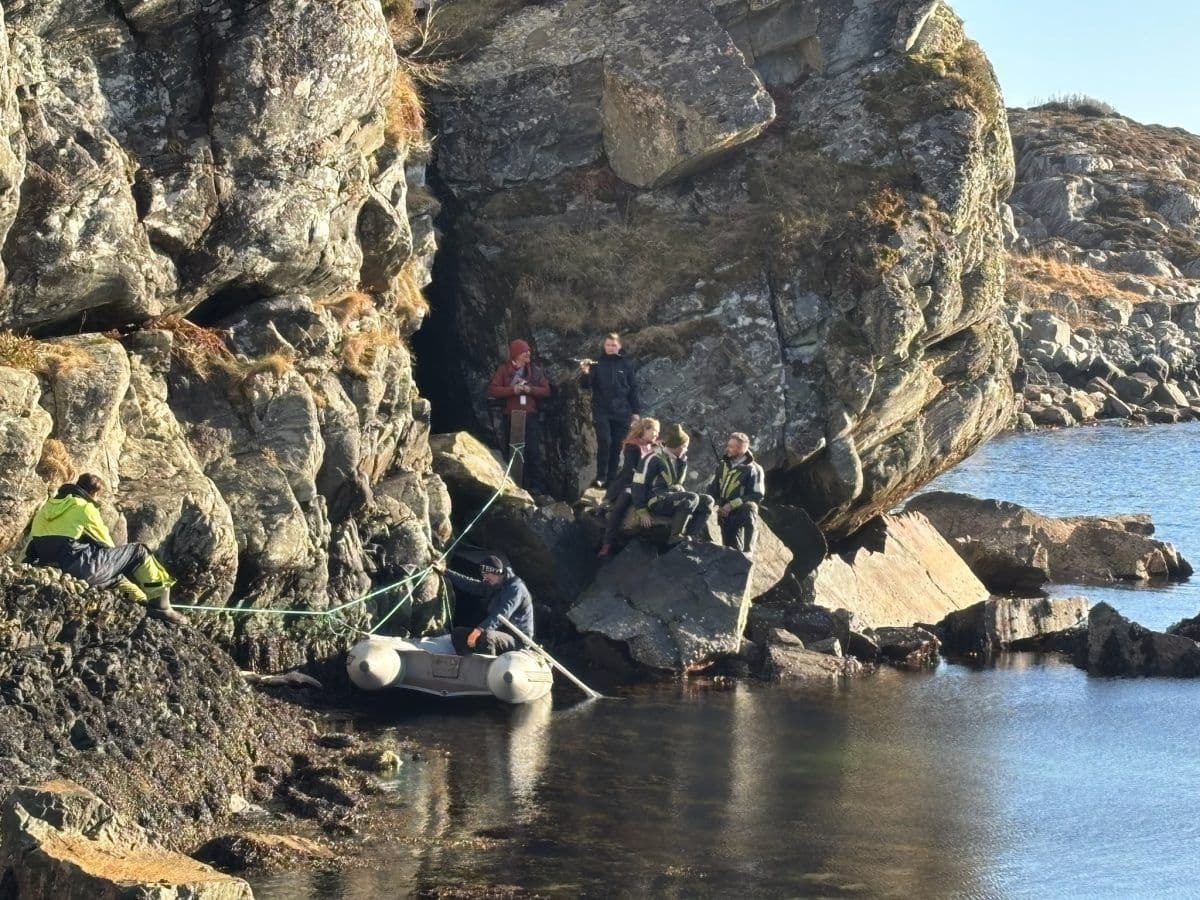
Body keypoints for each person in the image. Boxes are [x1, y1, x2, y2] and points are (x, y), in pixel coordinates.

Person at [23, 474, 187, 625]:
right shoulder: (85, 508)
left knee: (113, 576)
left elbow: (33, 544)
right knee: (139, 552)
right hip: (81, 569)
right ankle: (162, 603)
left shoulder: (46, 508)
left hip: (55, 568)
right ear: (94, 493)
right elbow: (107, 544)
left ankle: (141, 601)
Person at [630, 425, 715, 546]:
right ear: (677, 446)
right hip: (656, 500)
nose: (686, 450)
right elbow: (638, 484)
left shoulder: (680, 459)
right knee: (691, 497)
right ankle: (675, 536)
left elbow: (678, 484)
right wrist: (642, 511)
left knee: (708, 500)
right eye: (685, 447)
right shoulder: (652, 458)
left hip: (672, 497)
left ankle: (692, 535)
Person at [435, 555, 535, 656]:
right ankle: (467, 664)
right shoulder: (493, 585)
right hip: (498, 634)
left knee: (487, 637)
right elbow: (469, 584)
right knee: (458, 634)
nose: (485, 577)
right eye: (483, 574)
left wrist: (480, 630)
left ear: (496, 572)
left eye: (487, 574)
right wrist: (446, 572)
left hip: (517, 640)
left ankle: (487, 669)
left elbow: (501, 614)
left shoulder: (516, 589)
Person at [578, 332, 642, 488]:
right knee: (605, 441)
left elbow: (633, 389)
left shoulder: (626, 364)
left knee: (617, 445)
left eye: (613, 345)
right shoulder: (598, 363)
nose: (610, 348)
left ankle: (611, 478)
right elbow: (585, 385)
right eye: (607, 345)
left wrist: (636, 412)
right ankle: (601, 476)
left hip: (622, 411)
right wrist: (585, 372)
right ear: (604, 346)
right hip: (602, 409)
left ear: (619, 346)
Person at [488, 339, 550, 495]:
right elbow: (493, 390)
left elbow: (546, 391)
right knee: (514, 451)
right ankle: (514, 485)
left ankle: (537, 488)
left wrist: (530, 389)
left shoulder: (535, 371)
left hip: (531, 417)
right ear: (516, 355)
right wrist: (512, 390)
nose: (528, 354)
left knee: (533, 452)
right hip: (511, 417)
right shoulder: (503, 370)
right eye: (525, 352)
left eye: (528, 351)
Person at [597, 416, 660, 558]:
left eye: (657, 432)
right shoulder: (633, 445)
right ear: (644, 430)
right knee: (621, 503)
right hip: (628, 483)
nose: (656, 435)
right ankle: (607, 544)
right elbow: (629, 470)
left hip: (644, 485)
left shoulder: (652, 447)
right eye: (654, 431)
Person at [707, 432, 766, 556]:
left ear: (742, 449)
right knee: (730, 551)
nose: (728, 448)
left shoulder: (754, 469)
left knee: (751, 507)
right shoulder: (723, 465)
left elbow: (757, 495)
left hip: (740, 511)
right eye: (728, 445)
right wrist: (713, 503)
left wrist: (732, 505)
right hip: (724, 514)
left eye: (732, 446)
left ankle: (748, 550)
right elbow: (714, 488)